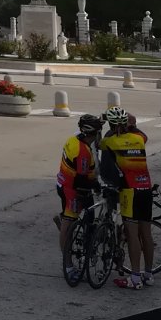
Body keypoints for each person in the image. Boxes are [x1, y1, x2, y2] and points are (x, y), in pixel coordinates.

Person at [100, 107, 155, 289]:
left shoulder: (110, 141)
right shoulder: (139, 138)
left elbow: (99, 143)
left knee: (132, 235)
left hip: (129, 192)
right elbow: (143, 134)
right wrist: (133, 124)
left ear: (112, 124)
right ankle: (149, 275)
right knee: (146, 234)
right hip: (146, 189)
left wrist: (102, 121)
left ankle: (135, 278)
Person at [56, 115, 101, 278]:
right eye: (98, 132)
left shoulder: (74, 138)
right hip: (72, 190)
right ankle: (68, 266)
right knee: (69, 225)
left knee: (89, 217)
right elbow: (80, 180)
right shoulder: (82, 151)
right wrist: (97, 186)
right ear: (93, 133)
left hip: (63, 183)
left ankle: (85, 243)